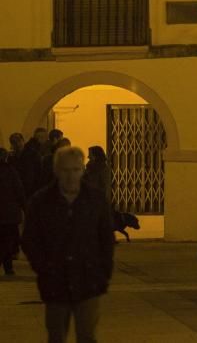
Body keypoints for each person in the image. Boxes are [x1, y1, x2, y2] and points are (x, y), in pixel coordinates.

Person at [22, 145, 114, 343]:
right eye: (66, 170)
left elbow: (106, 239)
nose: (71, 176)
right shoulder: (41, 201)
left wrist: (103, 271)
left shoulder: (95, 200)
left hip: (88, 280)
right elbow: (30, 239)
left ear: (82, 170)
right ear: (57, 171)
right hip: (55, 281)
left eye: (76, 170)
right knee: (56, 336)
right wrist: (44, 268)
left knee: (87, 336)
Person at [0, 148, 25, 276]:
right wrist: (24, 207)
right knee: (7, 241)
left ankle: (7, 266)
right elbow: (19, 191)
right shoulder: (11, 171)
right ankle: (8, 267)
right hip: (9, 214)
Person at [16, 128, 46, 196]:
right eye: (44, 137)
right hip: (31, 187)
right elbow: (36, 171)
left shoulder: (29, 149)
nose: (46, 139)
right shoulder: (33, 151)